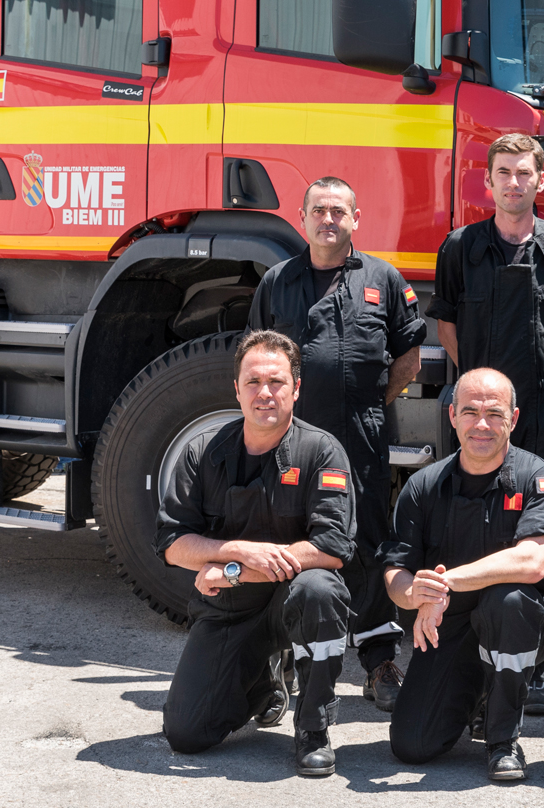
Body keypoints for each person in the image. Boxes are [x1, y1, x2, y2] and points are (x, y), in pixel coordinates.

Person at [249, 176, 426, 712]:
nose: (328, 220)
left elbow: (408, 360)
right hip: (290, 446)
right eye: (318, 211)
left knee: (368, 543)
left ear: (355, 219)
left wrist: (368, 405)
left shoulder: (384, 279)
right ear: (302, 218)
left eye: (338, 211)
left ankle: (378, 661)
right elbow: (258, 362)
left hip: (362, 440)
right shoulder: (276, 281)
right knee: (288, 547)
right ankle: (279, 665)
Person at [427, 132, 544, 714]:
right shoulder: (461, 246)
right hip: (477, 418)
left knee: (539, 536)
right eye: (504, 173)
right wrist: (480, 396)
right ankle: (463, 650)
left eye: (525, 173)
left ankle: (534, 664)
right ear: (486, 182)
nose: (515, 183)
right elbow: (446, 325)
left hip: (539, 410)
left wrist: (532, 388)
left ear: (541, 181)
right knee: (466, 525)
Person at [157, 330, 355, 777]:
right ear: (236, 389)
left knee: (320, 589)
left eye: (277, 382)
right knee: (186, 734)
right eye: (253, 382)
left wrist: (227, 570)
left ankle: (313, 727)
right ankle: (264, 684)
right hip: (229, 611)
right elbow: (172, 544)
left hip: (292, 599)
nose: (265, 393)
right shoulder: (202, 453)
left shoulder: (322, 452)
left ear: (297, 388)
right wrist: (238, 552)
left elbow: (333, 548)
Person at [378, 368, 544, 783]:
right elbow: (396, 571)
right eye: (470, 412)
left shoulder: (540, 479)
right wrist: (416, 594)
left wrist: (446, 582)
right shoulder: (424, 486)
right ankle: (480, 691)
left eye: (495, 413)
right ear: (452, 416)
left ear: (514, 420)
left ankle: (502, 740)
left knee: (509, 601)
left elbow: (532, 562)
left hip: (524, 620)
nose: (482, 424)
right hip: (451, 626)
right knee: (412, 745)